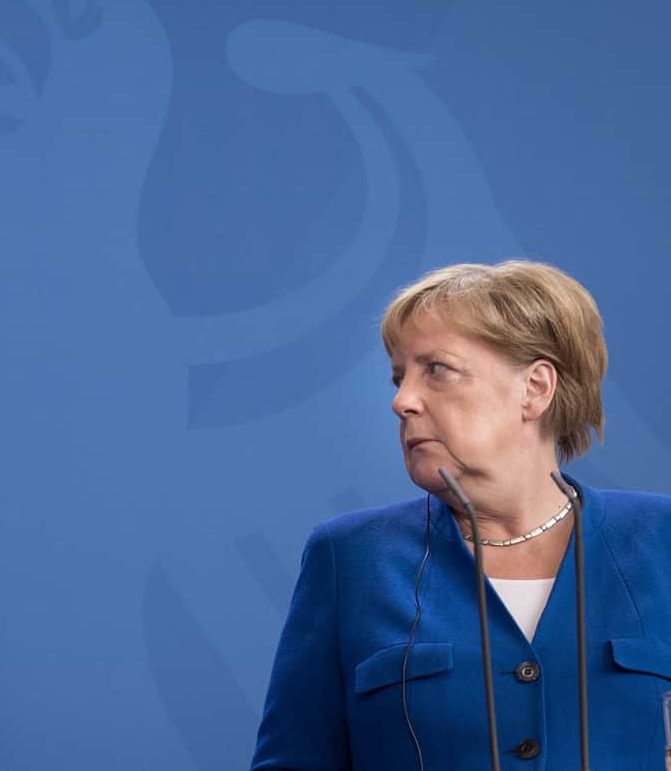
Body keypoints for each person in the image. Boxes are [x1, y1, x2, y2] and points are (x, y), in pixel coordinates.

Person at [251, 261, 671, 770]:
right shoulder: (351, 558)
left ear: (535, 388)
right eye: (399, 378)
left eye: (436, 370)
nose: (402, 401)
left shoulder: (660, 539)